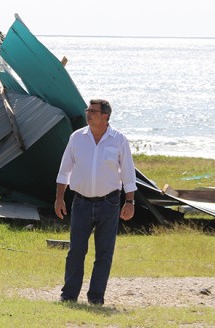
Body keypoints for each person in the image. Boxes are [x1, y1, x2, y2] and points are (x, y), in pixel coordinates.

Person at [54, 99, 137, 306]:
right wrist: (59, 198)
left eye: (93, 111)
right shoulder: (77, 138)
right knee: (76, 251)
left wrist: (130, 201)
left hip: (109, 204)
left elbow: (128, 173)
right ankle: (69, 294)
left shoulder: (119, 140)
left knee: (104, 252)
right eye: (88, 110)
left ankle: (96, 296)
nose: (88, 114)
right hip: (81, 202)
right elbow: (64, 170)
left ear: (105, 116)